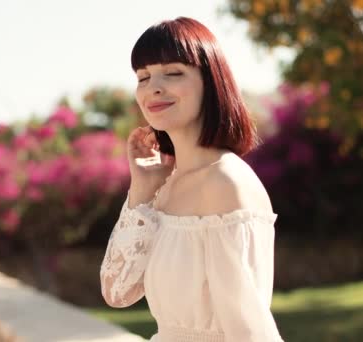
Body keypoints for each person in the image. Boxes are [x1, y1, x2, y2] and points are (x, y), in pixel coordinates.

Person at [99, 17, 284, 342]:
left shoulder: (225, 182)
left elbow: (250, 331)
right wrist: (142, 189)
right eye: (143, 77)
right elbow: (117, 291)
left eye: (173, 73)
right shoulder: (164, 184)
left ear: (210, 82)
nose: (153, 87)